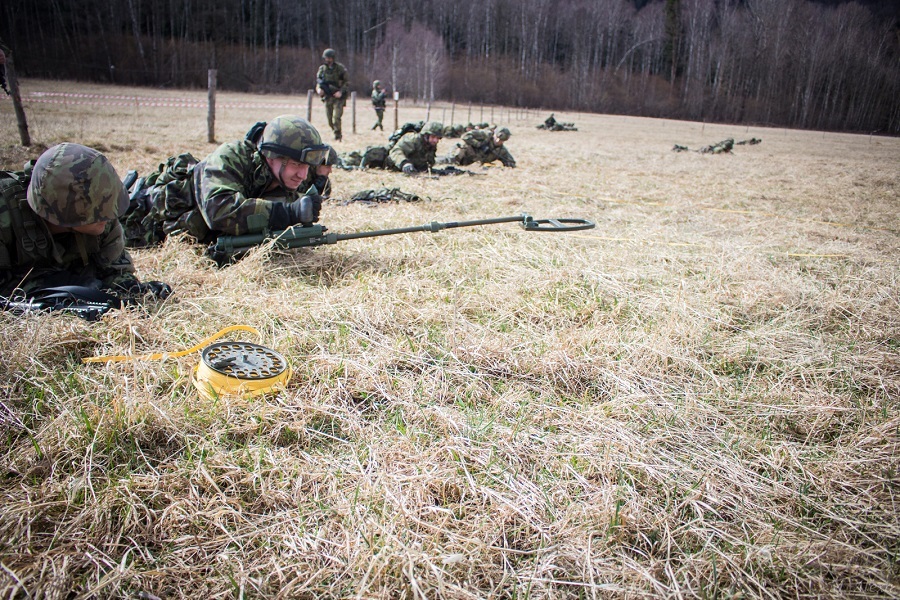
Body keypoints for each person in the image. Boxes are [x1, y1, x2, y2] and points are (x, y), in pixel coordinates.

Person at [122, 115, 331, 247]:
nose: (302, 175)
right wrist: (288, 213)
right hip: (138, 223)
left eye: (306, 167)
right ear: (270, 155)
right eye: (296, 165)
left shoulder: (283, 178)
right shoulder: (231, 156)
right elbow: (219, 211)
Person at [0, 143, 170, 303]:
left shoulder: (102, 220)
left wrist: (132, 289)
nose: (109, 216)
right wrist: (56, 287)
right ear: (62, 210)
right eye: (97, 211)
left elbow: (114, 271)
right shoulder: (5, 215)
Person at [441, 126, 516, 168]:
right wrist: (478, 144)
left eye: (502, 140)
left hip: (470, 163)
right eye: (498, 138)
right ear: (494, 134)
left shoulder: (501, 150)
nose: (498, 141)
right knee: (445, 161)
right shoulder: (484, 135)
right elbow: (465, 136)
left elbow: (511, 163)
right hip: (461, 154)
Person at [316, 48, 349, 141]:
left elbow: (347, 82)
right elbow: (319, 81)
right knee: (330, 121)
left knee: (336, 118)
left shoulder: (340, 68)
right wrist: (319, 89)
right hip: (328, 97)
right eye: (326, 58)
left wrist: (341, 92)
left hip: (339, 97)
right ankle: (335, 130)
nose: (327, 60)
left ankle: (338, 136)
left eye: (329, 58)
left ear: (333, 58)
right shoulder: (322, 69)